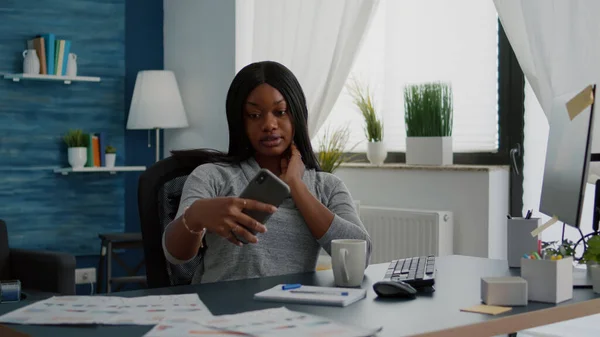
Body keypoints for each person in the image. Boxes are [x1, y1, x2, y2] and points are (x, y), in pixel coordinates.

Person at [163, 60, 371, 284]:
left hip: (294, 312)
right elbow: (175, 255)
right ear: (239, 122)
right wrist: (195, 216)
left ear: (296, 116)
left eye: (280, 112)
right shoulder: (212, 177)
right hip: (224, 313)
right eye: (254, 115)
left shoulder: (327, 187)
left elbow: (361, 253)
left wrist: (297, 186)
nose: (269, 124)